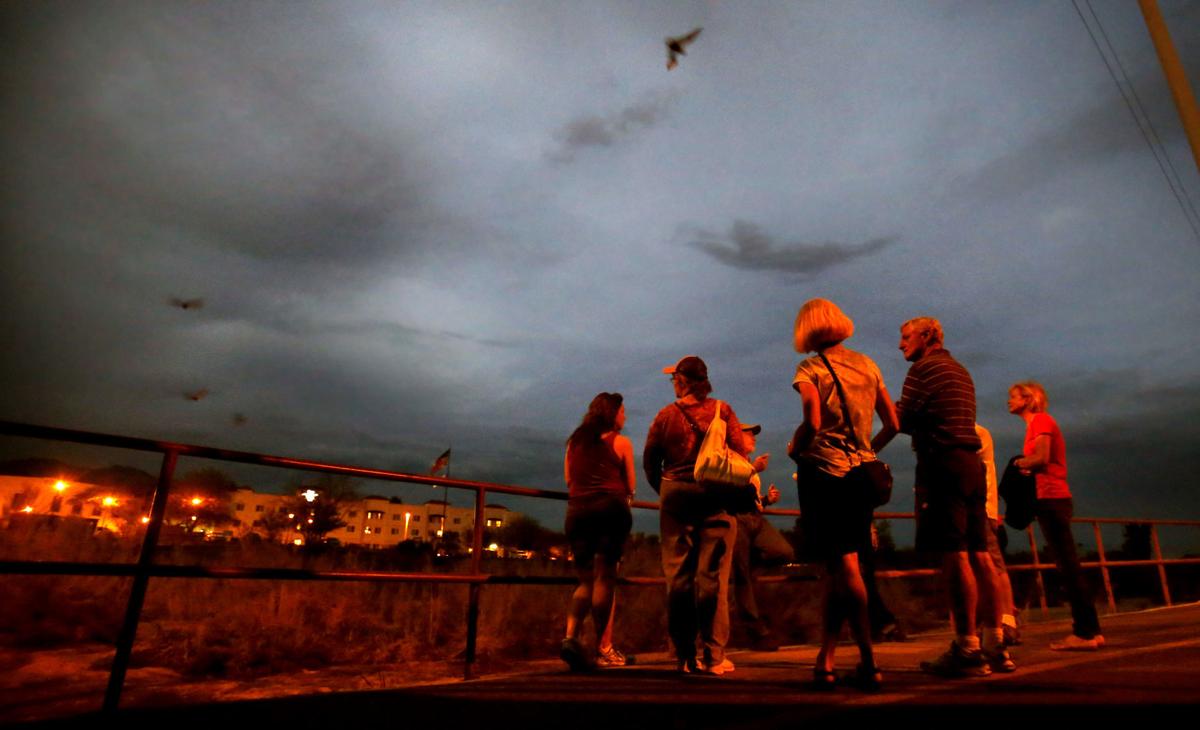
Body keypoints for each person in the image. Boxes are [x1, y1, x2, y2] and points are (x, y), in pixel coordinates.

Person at [787, 299, 898, 691]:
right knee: (843, 567)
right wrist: (868, 452)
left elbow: (812, 421)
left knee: (843, 569)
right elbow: (894, 422)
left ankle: (868, 661)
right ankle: (828, 660)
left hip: (825, 474)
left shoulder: (810, 368)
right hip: (862, 475)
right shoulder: (869, 365)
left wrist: (795, 448)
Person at [897, 316, 1012, 677]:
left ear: (926, 336)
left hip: (942, 464)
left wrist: (876, 406)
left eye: (905, 337)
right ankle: (995, 645)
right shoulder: (960, 370)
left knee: (955, 556)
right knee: (980, 554)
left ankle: (966, 646)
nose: (901, 345)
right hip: (971, 465)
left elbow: (900, 418)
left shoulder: (923, 369)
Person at [644, 355, 746, 676]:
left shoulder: (665, 416)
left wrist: (664, 489)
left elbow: (650, 461)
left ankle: (684, 656)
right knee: (712, 577)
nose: (672, 383)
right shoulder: (723, 411)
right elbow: (740, 453)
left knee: (679, 577)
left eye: (674, 378)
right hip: (714, 496)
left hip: (676, 493)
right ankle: (714, 657)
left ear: (683, 382)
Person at [1008, 381, 1104, 650]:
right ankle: (1092, 630)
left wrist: (1019, 463)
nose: (1009, 401)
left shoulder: (1040, 421)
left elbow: (1041, 458)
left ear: (1028, 400)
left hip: (1051, 498)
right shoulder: (1036, 424)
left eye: (1013, 397)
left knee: (1069, 567)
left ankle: (1084, 633)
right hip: (1052, 498)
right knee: (1069, 566)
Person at [560, 392, 636, 671]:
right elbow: (630, 484)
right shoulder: (621, 443)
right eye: (622, 411)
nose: (625, 416)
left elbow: (569, 480)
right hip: (610, 512)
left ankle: (570, 638)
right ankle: (602, 649)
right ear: (612, 414)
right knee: (605, 578)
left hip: (577, 513)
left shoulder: (574, 444)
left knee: (584, 581)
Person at [730, 423, 795, 651]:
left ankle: (748, 566)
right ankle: (756, 631)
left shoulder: (748, 464)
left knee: (783, 552)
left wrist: (766, 500)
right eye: (748, 434)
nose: (753, 438)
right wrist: (754, 470)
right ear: (736, 437)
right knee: (742, 578)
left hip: (755, 520)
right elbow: (731, 491)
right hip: (737, 520)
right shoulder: (730, 460)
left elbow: (751, 498)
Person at [976, 422, 1020, 647]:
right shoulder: (981, 432)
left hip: (981, 508)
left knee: (993, 565)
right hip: (986, 508)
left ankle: (1005, 621)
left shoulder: (976, 433)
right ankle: (1003, 620)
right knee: (991, 565)